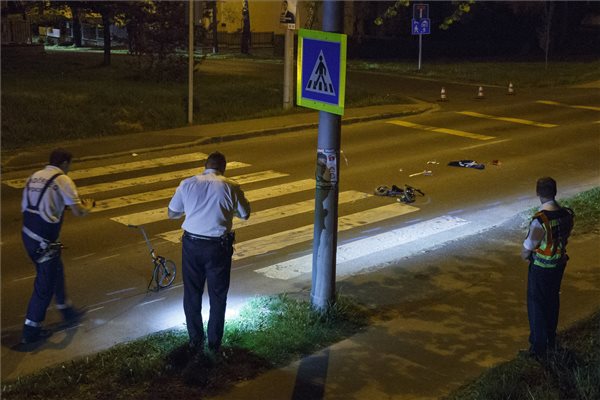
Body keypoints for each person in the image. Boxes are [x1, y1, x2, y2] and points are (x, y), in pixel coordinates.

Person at [168, 151, 250, 358]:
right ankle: (214, 344)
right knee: (218, 295)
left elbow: (172, 213)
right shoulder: (230, 186)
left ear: (205, 166)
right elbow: (245, 214)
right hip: (217, 248)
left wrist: (192, 210)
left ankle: (195, 340)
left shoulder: (187, 184)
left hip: (192, 244)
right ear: (223, 168)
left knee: (192, 293)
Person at [20, 148, 94, 344]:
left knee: (56, 269)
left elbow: (30, 206)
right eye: (70, 165)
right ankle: (31, 330)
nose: (69, 169)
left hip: (28, 236)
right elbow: (78, 211)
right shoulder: (62, 180)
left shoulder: (35, 176)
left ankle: (65, 309)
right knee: (44, 285)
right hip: (44, 240)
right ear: (64, 164)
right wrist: (88, 207)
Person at [521, 177, 574, 358]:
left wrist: (526, 257)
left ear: (538, 193)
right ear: (555, 192)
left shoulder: (540, 221)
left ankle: (538, 348)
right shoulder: (566, 214)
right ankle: (550, 340)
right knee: (552, 302)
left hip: (541, 268)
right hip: (559, 266)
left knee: (537, 307)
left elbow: (528, 247)